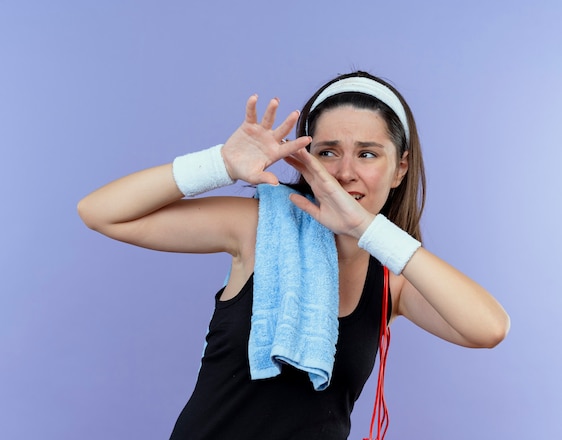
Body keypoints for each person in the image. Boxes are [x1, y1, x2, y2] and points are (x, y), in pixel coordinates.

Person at [77, 71, 510, 440]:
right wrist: (220, 164)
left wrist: (366, 229)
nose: (344, 172)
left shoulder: (392, 282)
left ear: (400, 167)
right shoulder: (260, 225)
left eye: (367, 154)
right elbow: (101, 213)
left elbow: (488, 328)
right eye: (327, 152)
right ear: (305, 159)